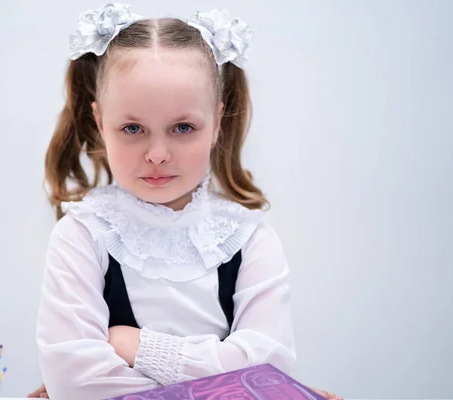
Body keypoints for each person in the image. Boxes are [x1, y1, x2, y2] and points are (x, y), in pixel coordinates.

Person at [30, 4, 341, 399]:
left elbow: (269, 370)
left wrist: (138, 346)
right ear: (99, 122)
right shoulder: (81, 236)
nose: (158, 153)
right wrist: (225, 381)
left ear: (217, 122)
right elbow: (77, 382)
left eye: (183, 127)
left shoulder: (250, 241)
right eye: (132, 128)